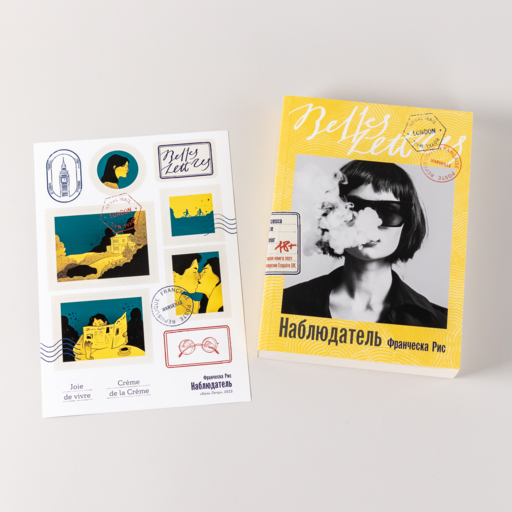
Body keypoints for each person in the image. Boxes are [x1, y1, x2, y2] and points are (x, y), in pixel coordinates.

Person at [282, 160, 447, 328]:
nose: (371, 223)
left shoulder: (437, 323)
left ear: (407, 223)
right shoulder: (286, 306)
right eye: (355, 208)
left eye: (388, 211)